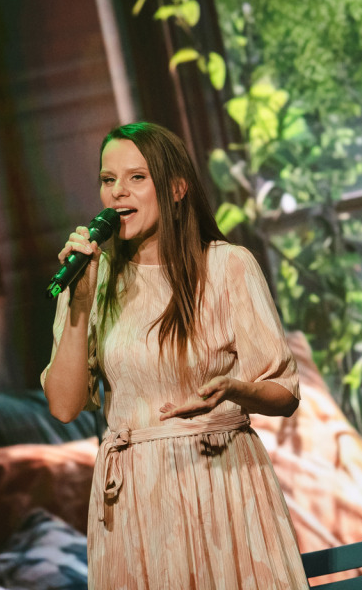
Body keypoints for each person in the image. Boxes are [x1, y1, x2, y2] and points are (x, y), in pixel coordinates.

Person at [41, 122, 310, 588]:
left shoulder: (227, 266)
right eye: (108, 179)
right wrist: (79, 303)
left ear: (177, 188)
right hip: (136, 498)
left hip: (221, 481)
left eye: (136, 177)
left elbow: (284, 393)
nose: (118, 192)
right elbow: (64, 406)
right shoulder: (92, 279)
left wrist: (236, 390)